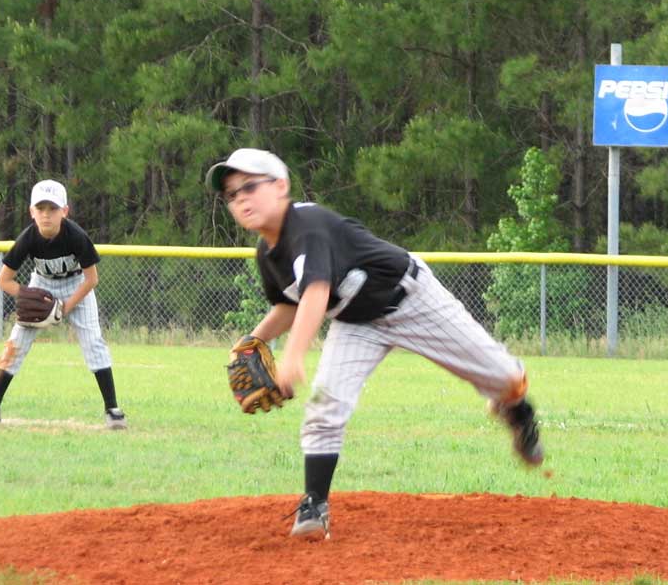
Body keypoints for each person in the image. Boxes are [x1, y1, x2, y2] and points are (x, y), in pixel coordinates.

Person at [206, 148, 543, 538]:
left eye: (249, 186)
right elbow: (289, 302)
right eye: (231, 195)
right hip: (356, 323)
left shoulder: (307, 224)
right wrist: (253, 339)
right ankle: (314, 505)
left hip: (413, 299)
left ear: (280, 186)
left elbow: (316, 291)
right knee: (325, 404)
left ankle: (518, 413)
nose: (241, 199)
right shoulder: (267, 254)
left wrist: (294, 357)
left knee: (506, 378)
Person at [0, 179, 127, 430]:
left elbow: (92, 279)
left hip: (77, 287)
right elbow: (4, 281)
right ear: (31, 212)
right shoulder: (28, 238)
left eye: (52, 209)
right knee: (16, 342)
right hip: (41, 285)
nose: (46, 215)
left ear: (64, 211)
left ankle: (112, 410)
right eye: (40, 209)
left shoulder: (75, 235)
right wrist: (29, 295)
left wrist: (65, 308)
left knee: (94, 342)